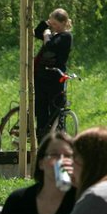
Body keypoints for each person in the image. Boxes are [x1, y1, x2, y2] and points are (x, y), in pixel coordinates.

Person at [33, 8, 73, 140]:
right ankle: (41, 140)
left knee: (55, 110)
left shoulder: (65, 37)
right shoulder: (53, 33)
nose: (53, 27)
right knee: (41, 110)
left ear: (63, 23)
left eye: (56, 24)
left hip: (55, 79)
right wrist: (47, 24)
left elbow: (50, 46)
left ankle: (57, 139)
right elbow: (36, 32)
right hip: (41, 78)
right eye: (53, 24)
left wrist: (46, 35)